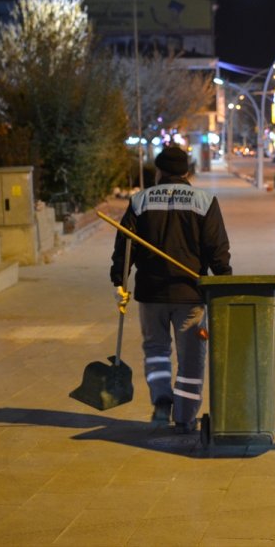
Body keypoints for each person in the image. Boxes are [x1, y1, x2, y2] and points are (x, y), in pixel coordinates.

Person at [110, 144, 232, 434]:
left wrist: (119, 281)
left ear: (160, 172)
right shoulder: (204, 201)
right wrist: (224, 281)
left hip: (151, 295)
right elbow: (217, 249)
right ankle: (186, 416)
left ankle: (162, 402)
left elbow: (125, 246)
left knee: (156, 351)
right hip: (191, 295)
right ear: (187, 171)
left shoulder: (140, 201)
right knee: (191, 357)